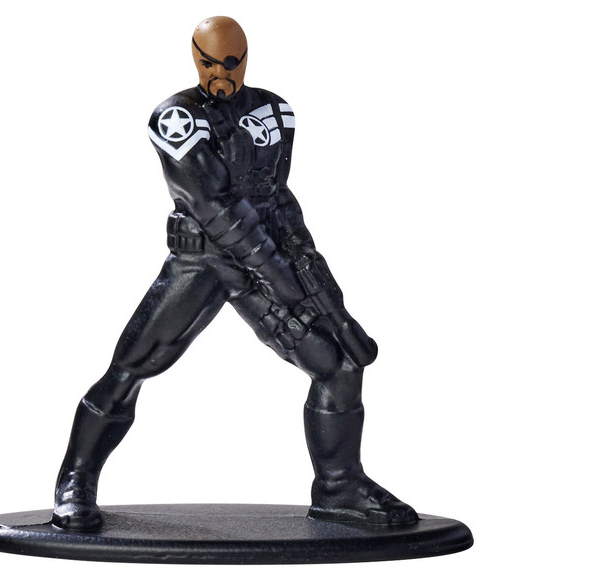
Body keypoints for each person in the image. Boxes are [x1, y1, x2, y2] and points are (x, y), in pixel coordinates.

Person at [53, 16, 417, 531]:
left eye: (230, 63)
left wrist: (318, 283)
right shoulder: (176, 117)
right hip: (202, 262)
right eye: (209, 63)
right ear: (193, 57)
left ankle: (340, 488)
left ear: (246, 59)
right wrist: (282, 279)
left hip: (264, 259)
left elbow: (277, 197)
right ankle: (76, 478)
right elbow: (215, 206)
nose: (220, 74)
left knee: (340, 364)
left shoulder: (273, 109)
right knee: (132, 367)